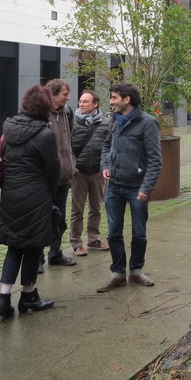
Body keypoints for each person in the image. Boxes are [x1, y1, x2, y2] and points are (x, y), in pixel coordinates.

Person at [0, 85, 59, 318]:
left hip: (10, 194)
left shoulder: (8, 126)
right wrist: (49, 195)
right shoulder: (45, 134)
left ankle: (4, 298)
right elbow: (53, 169)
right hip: (36, 195)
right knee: (33, 247)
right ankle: (28, 296)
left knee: (15, 246)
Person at [97, 83, 161, 292]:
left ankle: (136, 272)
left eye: (114, 97)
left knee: (139, 233)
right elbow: (106, 145)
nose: (111, 101)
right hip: (114, 186)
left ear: (127, 100)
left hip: (137, 189)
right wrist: (105, 165)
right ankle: (117, 274)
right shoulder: (114, 120)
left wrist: (146, 187)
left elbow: (155, 160)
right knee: (113, 232)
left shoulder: (148, 123)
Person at [69, 90, 111, 257]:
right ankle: (76, 242)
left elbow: (109, 146)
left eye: (85, 101)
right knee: (76, 209)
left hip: (98, 173)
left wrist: (105, 166)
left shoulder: (106, 123)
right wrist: (73, 167)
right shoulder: (72, 122)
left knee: (96, 207)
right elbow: (66, 147)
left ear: (95, 104)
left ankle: (93, 238)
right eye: (80, 101)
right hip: (78, 173)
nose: (81, 104)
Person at [44, 79, 76, 267]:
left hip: (64, 176)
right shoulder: (40, 112)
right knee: (42, 218)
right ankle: (37, 259)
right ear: (53, 94)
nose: (68, 97)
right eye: (65, 94)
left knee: (60, 219)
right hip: (44, 179)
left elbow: (70, 139)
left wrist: (72, 161)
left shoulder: (68, 112)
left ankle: (55, 254)